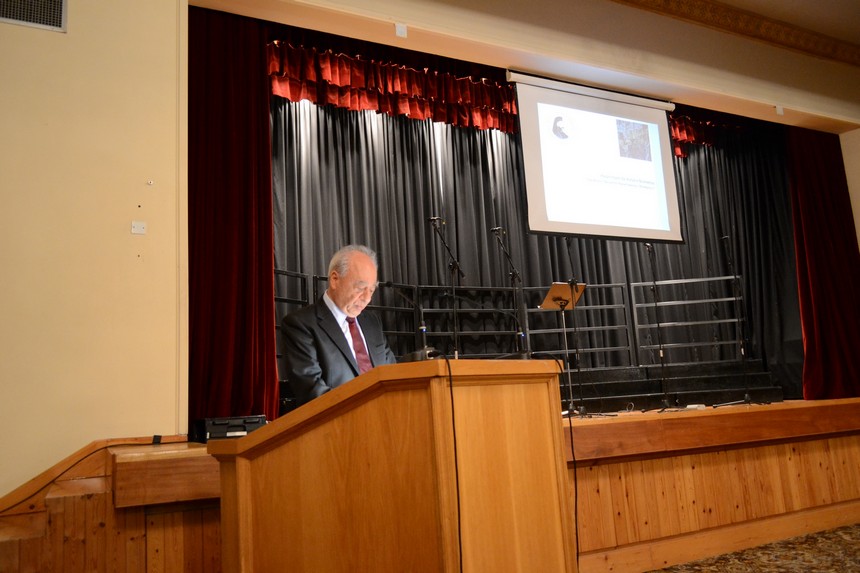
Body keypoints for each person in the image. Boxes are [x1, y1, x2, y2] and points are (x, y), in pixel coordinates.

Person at [280, 244, 396, 406]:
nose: (367, 298)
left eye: (371, 290)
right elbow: (313, 392)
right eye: (360, 288)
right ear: (335, 280)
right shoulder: (300, 325)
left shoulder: (372, 322)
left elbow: (391, 373)